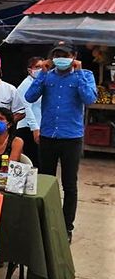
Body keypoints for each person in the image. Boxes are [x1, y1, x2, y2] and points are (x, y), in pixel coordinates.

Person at [25, 40, 97, 243]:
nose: (60, 59)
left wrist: (79, 74)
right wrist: (42, 74)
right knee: (46, 181)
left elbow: (89, 99)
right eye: (57, 55)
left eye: (65, 55)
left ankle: (66, 227)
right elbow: (30, 97)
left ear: (74, 57)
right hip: (49, 136)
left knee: (69, 184)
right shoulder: (47, 76)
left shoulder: (85, 75)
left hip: (71, 137)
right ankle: (44, 221)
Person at [16, 57, 44, 166]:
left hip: (39, 126)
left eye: (42, 67)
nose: (40, 70)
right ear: (29, 70)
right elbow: (26, 108)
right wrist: (35, 128)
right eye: (37, 67)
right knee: (33, 162)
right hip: (28, 128)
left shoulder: (41, 83)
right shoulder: (26, 85)